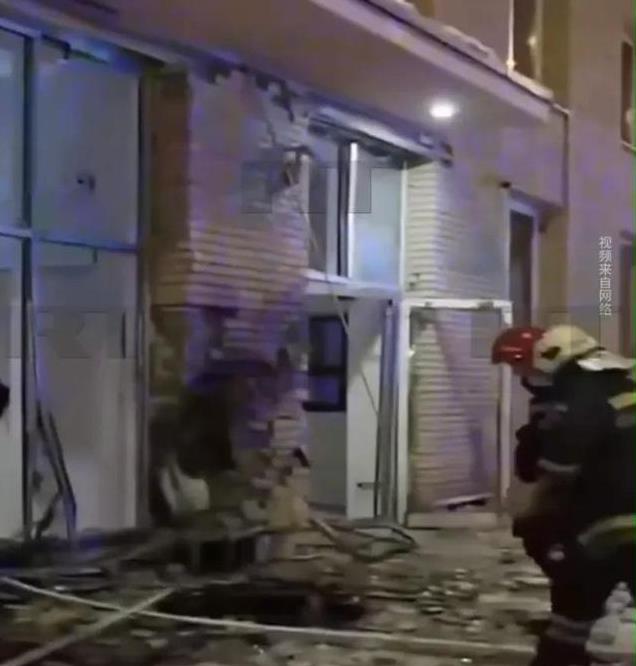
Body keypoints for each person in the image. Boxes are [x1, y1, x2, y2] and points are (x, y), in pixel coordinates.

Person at [492, 324, 636, 666]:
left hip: (606, 522)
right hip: (614, 517)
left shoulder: (577, 396)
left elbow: (557, 471)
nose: (522, 375)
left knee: (572, 611)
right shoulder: (621, 382)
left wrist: (532, 512)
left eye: (521, 365)